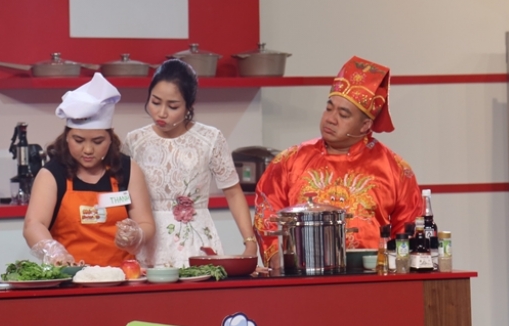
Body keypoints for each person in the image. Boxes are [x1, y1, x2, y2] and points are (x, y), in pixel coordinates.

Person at [253, 56, 422, 267]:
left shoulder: (394, 169)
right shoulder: (289, 161)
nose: (330, 119)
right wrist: (277, 258)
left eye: (343, 114)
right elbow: (267, 213)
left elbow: (409, 226)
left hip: (372, 275)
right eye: (329, 108)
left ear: (365, 125)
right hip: (303, 275)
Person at [124, 59, 258, 268]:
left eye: (173, 106)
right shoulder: (134, 142)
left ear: (189, 106)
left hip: (196, 243)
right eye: (155, 102)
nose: (162, 113)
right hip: (148, 242)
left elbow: (233, 192)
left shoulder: (210, 139)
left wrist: (250, 242)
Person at [23, 73, 155, 266]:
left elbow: (146, 223)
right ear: (67, 137)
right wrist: (53, 251)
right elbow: (33, 224)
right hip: (70, 275)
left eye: (98, 141)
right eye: (78, 140)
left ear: (110, 138)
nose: (88, 150)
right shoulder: (52, 174)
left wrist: (137, 235)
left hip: (122, 276)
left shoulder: (127, 169)